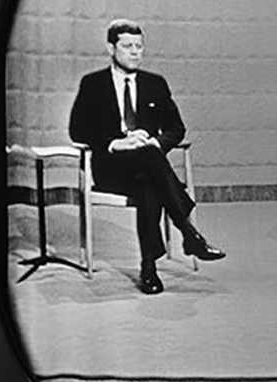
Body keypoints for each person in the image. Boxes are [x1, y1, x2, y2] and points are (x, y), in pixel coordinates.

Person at [69, 19, 225, 295]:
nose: (135, 52)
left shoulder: (155, 84)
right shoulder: (93, 84)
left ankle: (149, 269)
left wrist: (154, 141)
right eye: (128, 46)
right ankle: (188, 234)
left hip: (148, 170)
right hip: (112, 169)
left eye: (139, 47)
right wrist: (117, 143)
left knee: (148, 177)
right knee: (150, 164)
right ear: (111, 48)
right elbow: (77, 130)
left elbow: (177, 129)